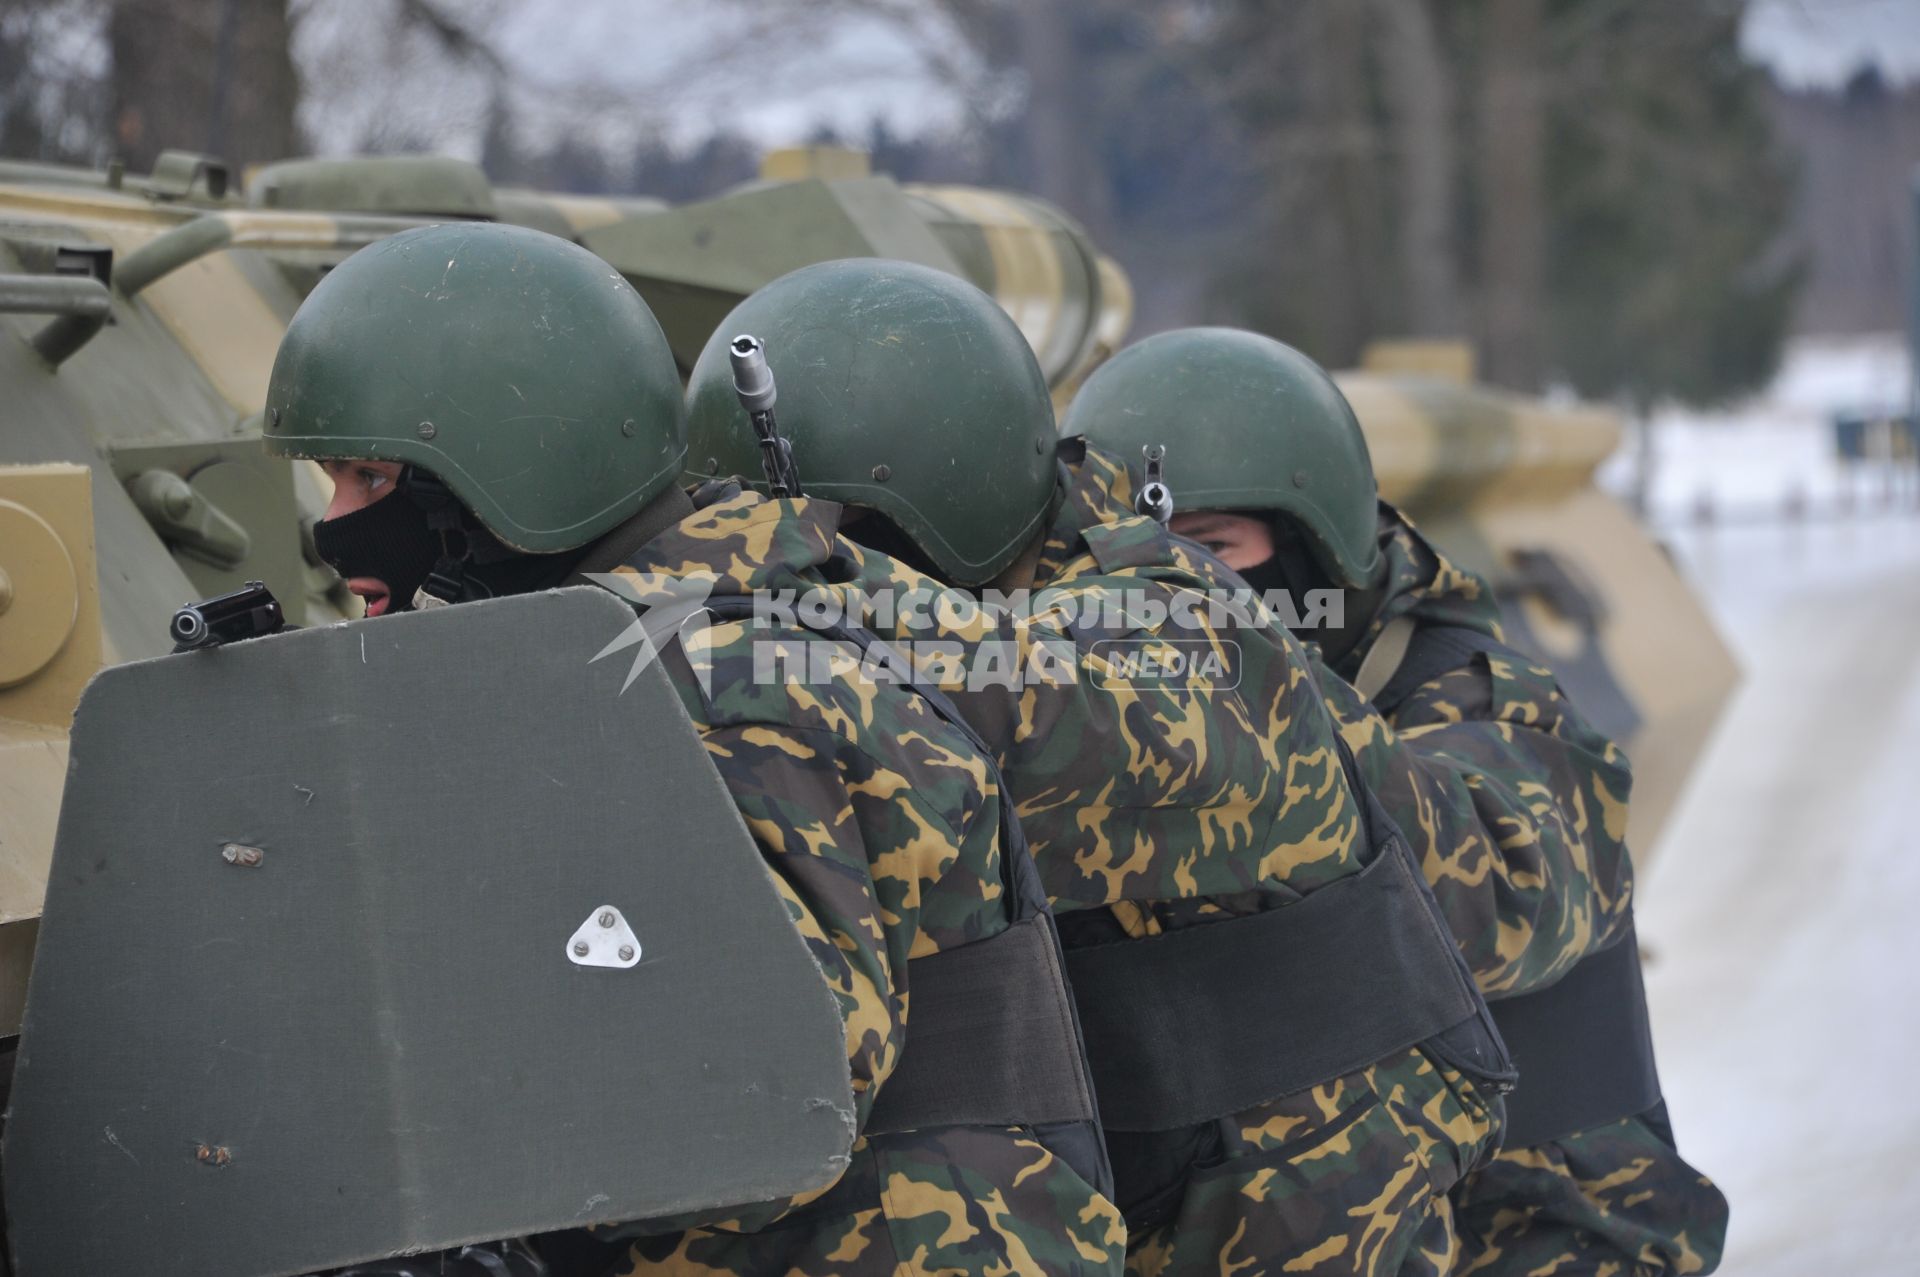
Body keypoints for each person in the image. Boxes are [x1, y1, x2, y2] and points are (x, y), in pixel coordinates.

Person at [264, 222, 1123, 1277]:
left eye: (367, 479)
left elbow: (751, 1106)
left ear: (501, 471)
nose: (335, 525)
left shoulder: (706, 687)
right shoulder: (723, 607)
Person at [685, 258, 1515, 1277]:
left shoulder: (1177, 622)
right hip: (1136, 1190)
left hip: (1308, 1218)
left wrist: (733, 584)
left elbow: (985, 696)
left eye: (840, 545)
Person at [1064, 326, 1729, 1276]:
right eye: (1137, 556)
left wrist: (1256, 706)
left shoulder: (1481, 699)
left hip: (1548, 1236)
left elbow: (1501, 884)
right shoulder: (1133, 725)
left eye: (1210, 550)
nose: (1171, 587)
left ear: (1310, 546)